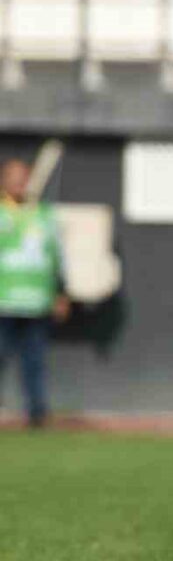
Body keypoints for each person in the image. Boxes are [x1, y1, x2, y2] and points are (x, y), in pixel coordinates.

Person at [0, 158, 70, 429]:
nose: (19, 183)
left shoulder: (43, 214)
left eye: (23, 177)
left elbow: (57, 256)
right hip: (3, 300)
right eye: (13, 177)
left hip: (36, 301)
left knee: (35, 361)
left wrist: (61, 292)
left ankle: (37, 414)